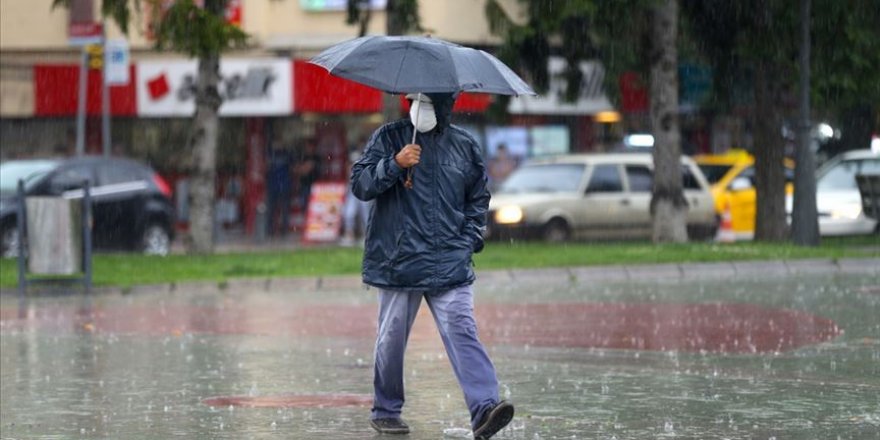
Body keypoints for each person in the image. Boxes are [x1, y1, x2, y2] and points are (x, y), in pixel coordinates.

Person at [351, 92, 514, 439]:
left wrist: (469, 239)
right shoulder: (388, 137)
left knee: (462, 330)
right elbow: (361, 185)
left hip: (449, 261)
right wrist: (395, 163)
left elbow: (477, 198)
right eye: (414, 100)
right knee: (391, 339)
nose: (419, 108)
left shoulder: (464, 146)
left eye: (428, 102)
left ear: (445, 105)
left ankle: (485, 407)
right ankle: (386, 410)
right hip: (399, 261)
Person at [339, 147, 372, 247]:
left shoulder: (366, 168)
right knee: (349, 213)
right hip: (352, 194)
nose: (354, 163)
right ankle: (349, 236)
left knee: (366, 215)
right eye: (352, 161)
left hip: (363, 194)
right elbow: (348, 183)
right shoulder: (349, 168)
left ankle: (367, 237)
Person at [265, 142, 293, 236]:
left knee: (282, 209)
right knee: (272, 209)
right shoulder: (271, 155)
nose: (277, 145)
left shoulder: (286, 155)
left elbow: (292, 168)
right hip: (275, 186)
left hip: (282, 186)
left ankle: (281, 230)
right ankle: (271, 230)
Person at [294, 138, 320, 216]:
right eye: (307, 146)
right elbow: (295, 169)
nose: (308, 148)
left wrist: (302, 168)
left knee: (314, 205)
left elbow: (306, 169)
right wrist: (302, 168)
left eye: (310, 146)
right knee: (303, 204)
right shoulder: (302, 157)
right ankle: (306, 219)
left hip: (314, 185)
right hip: (303, 184)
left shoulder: (316, 157)